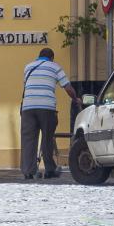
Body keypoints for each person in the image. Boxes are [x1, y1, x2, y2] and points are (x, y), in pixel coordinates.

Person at [20, 46, 81, 181]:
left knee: (28, 139)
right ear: (51, 58)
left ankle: (28, 171)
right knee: (47, 138)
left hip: (28, 107)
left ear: (39, 56)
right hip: (46, 107)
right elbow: (67, 87)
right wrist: (75, 98)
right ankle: (49, 169)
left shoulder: (28, 67)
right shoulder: (55, 67)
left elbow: (27, 85)